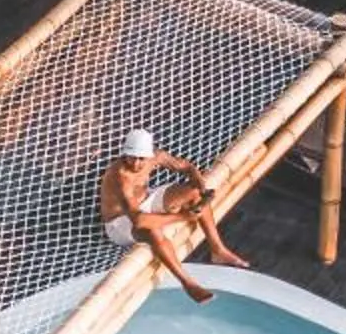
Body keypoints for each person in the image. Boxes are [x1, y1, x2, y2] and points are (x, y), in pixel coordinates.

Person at [98, 126, 249, 306]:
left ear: (149, 155)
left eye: (141, 158)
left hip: (145, 201)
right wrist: (184, 216)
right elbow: (139, 220)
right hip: (120, 222)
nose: (136, 163)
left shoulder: (156, 157)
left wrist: (202, 189)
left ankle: (218, 250)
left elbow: (187, 167)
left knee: (194, 194)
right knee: (153, 232)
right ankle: (188, 283)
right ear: (124, 154)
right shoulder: (120, 177)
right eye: (132, 157)